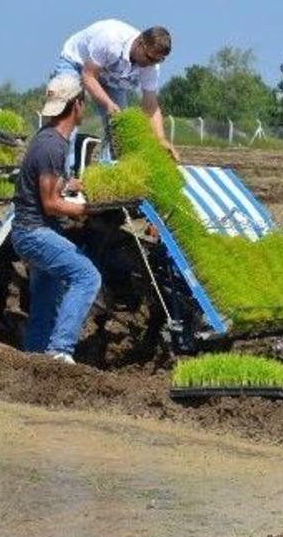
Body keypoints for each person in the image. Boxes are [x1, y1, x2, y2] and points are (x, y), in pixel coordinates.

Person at [10, 74, 101, 364]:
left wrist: (69, 185)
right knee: (87, 276)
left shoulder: (47, 138)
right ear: (77, 105)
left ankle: (34, 358)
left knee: (46, 301)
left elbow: (46, 188)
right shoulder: (53, 146)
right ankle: (60, 351)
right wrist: (88, 210)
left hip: (30, 229)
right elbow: (50, 204)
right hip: (34, 232)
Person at [52, 19, 179, 163]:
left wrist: (161, 139)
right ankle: (62, 175)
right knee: (66, 117)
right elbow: (88, 76)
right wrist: (108, 105)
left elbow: (150, 104)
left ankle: (109, 174)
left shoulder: (151, 66)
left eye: (158, 60)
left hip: (111, 77)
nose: (150, 63)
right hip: (76, 63)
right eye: (149, 57)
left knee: (120, 129)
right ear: (140, 42)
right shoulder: (110, 40)